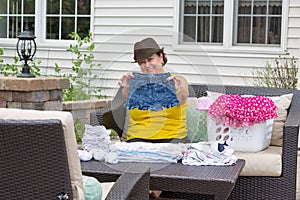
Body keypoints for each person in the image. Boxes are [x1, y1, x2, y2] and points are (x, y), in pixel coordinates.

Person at [118, 37, 190, 143]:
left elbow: (183, 98)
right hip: (137, 140)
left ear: (161, 57)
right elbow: (126, 96)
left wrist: (177, 90)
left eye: (150, 59)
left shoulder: (177, 80)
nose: (147, 65)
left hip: (173, 138)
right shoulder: (134, 84)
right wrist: (127, 87)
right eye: (142, 62)